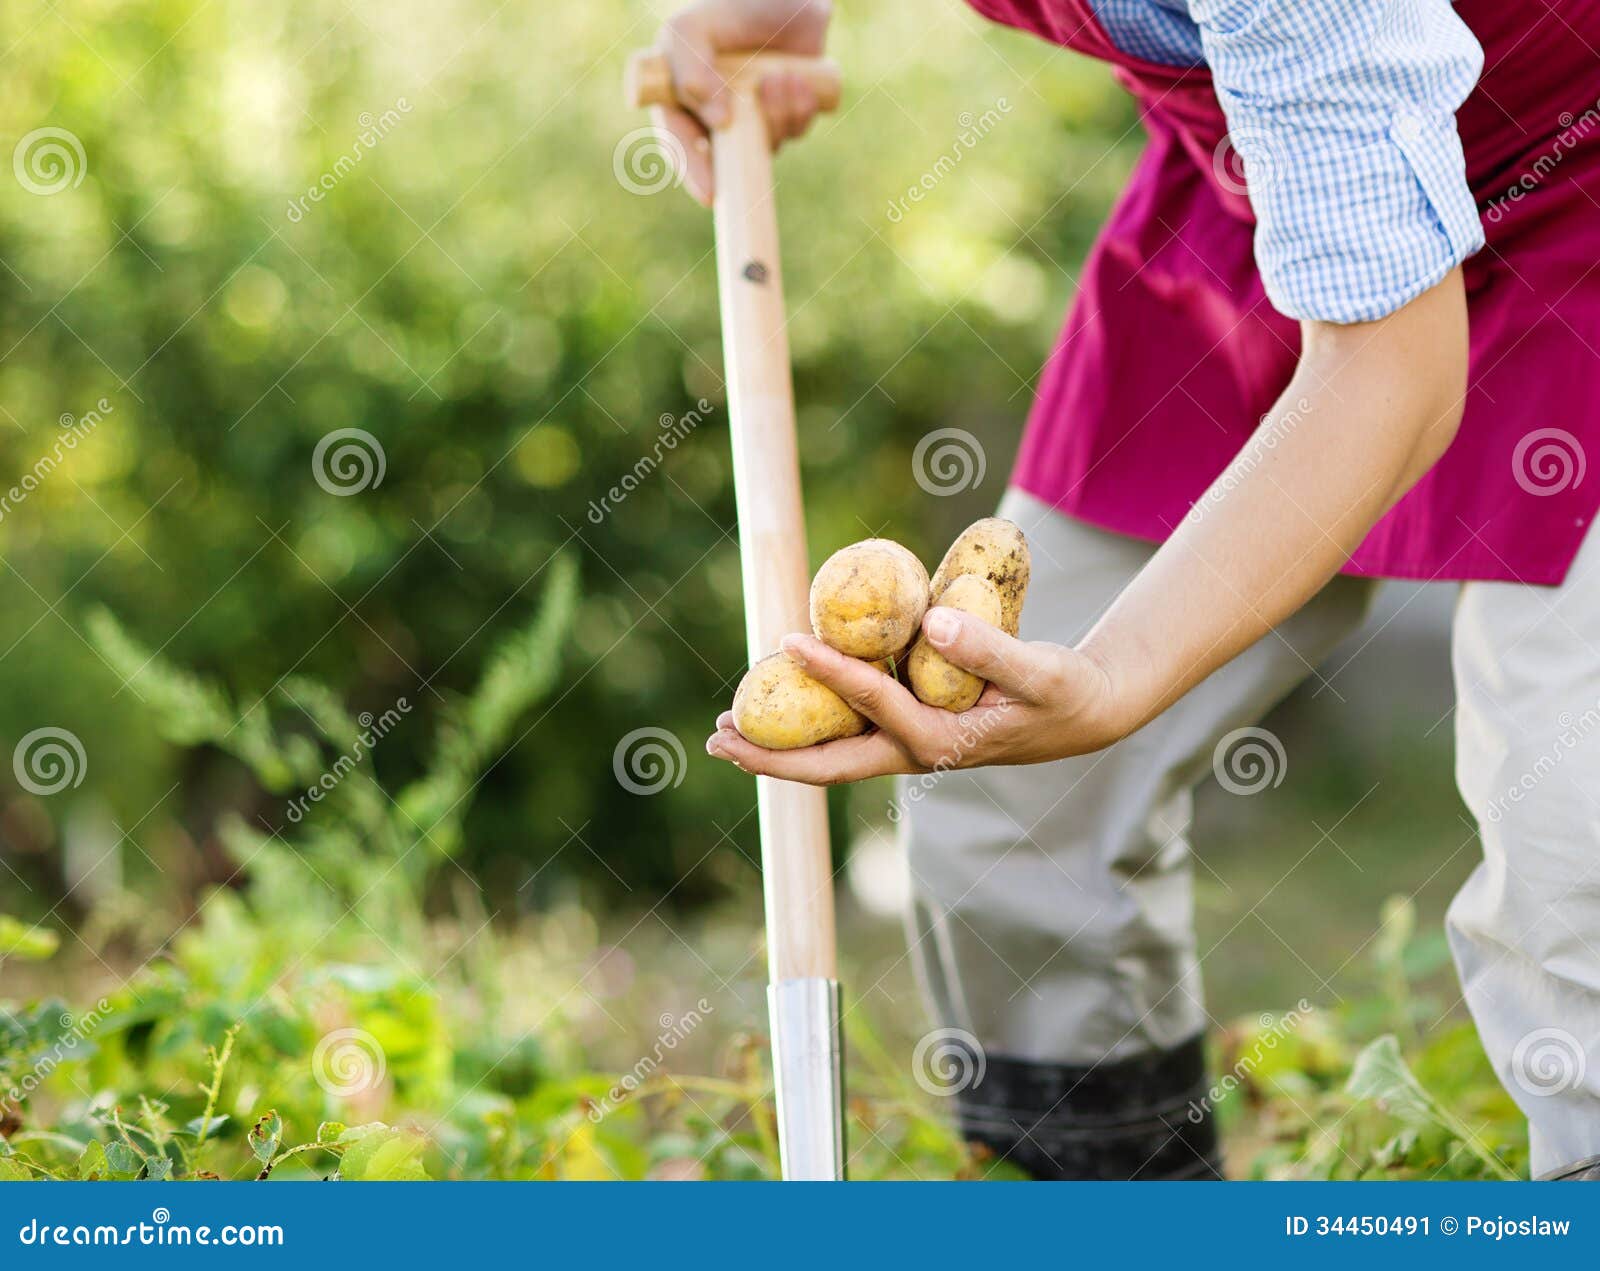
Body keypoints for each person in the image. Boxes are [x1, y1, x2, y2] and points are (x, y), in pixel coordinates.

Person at [675, 0, 1600, 1179]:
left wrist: (1112, 678)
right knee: (1009, 800)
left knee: (1575, 844)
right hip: (1275, 185)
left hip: (1573, 157)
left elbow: (1390, 375)